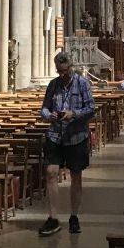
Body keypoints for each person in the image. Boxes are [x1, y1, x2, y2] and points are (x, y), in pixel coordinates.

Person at [39, 51, 95, 236]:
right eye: (59, 71)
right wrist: (49, 115)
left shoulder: (82, 83)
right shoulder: (53, 85)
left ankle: (74, 216)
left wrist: (74, 114)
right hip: (55, 134)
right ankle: (53, 217)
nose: (62, 75)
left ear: (70, 67)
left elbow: (90, 108)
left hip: (76, 135)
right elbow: (44, 108)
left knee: (75, 175)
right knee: (51, 172)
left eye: (65, 71)